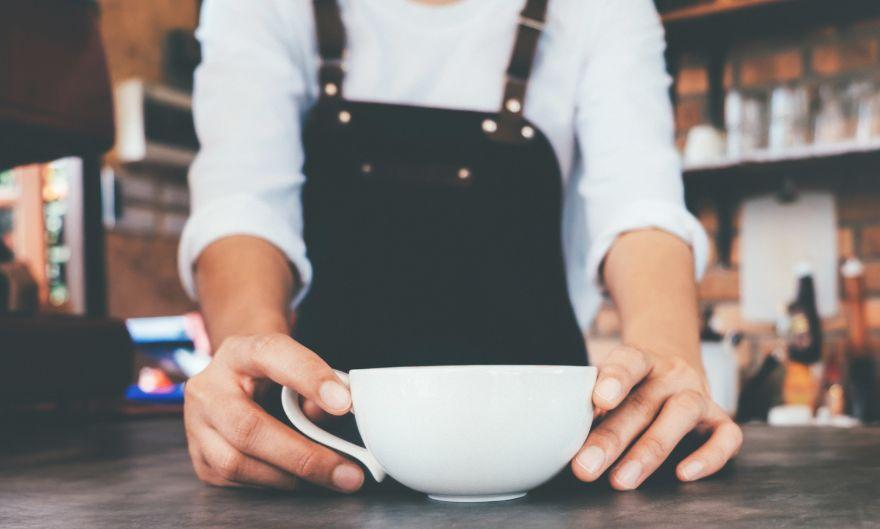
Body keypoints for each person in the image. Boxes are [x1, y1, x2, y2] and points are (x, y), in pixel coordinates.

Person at [179, 0, 742, 494]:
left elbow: (638, 204)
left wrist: (669, 361)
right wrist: (248, 372)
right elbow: (243, 203)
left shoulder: (599, 8)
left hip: (551, 466)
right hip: (322, 455)